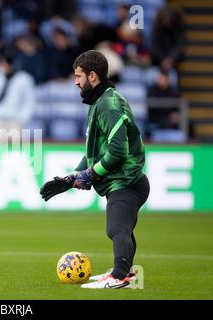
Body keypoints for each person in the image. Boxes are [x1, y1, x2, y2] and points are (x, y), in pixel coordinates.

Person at [40, 50, 150, 289]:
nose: (75, 82)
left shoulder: (109, 104)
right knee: (122, 228)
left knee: (117, 228)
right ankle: (126, 273)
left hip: (126, 180)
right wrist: (71, 178)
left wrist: (89, 175)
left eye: (78, 76)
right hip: (124, 180)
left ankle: (119, 277)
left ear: (92, 76)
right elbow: (95, 153)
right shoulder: (99, 102)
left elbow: (118, 151)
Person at [0, 54, 35, 134]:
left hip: (16, 121)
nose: (2, 66)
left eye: (5, 64)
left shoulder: (24, 79)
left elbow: (28, 101)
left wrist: (21, 119)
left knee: (17, 145)